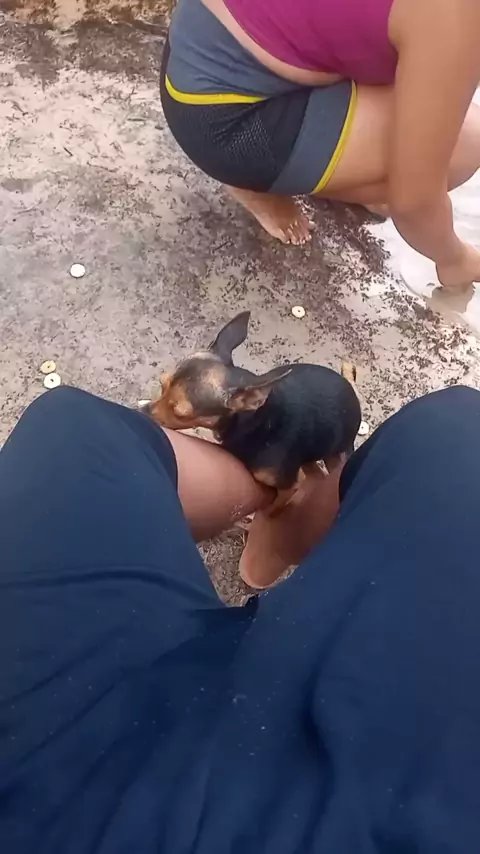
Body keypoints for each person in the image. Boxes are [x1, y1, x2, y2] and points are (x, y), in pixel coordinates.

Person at [2, 383, 480, 852]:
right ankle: (277, 505)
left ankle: (273, 507)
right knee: (451, 426)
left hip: (70, 783)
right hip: (419, 763)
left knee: (76, 429)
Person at [160, 0, 480, 290]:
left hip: (192, 38)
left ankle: (351, 174)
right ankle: (258, 181)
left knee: (419, 70)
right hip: (225, 115)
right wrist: (456, 259)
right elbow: (414, 203)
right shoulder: (457, 12)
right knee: (465, 142)